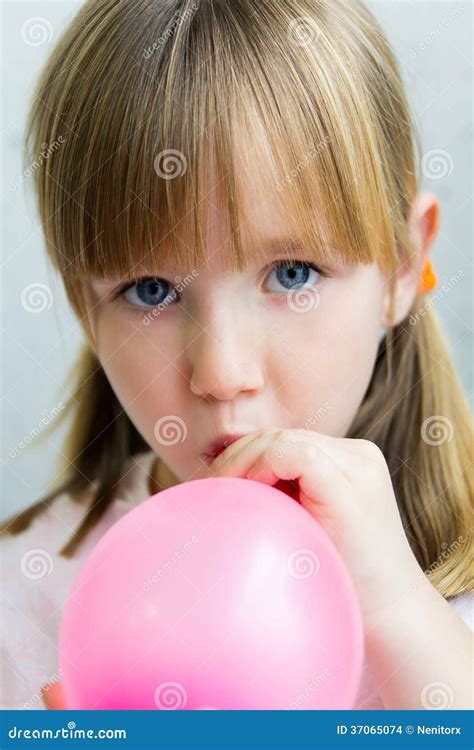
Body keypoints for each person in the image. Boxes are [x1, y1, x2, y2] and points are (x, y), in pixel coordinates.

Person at [1, 0, 472, 711]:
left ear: (406, 266)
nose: (220, 374)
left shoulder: (450, 607)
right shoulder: (20, 597)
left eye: (292, 275)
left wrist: (402, 615)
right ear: (83, 305)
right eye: (151, 289)